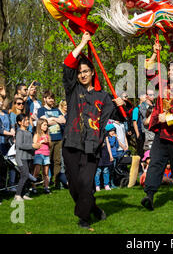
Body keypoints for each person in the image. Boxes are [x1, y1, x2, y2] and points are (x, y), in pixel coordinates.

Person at [62, 32, 124, 229]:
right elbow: (67, 64)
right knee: (75, 186)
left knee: (87, 183)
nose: (82, 74)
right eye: (80, 72)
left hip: (92, 146)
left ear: (92, 72)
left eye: (86, 71)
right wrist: (82, 43)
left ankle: (84, 218)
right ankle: (94, 208)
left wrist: (121, 104)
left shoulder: (103, 96)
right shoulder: (73, 90)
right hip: (71, 143)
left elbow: (119, 115)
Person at [141, 40, 173, 210]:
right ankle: (149, 194)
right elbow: (149, 72)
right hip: (162, 134)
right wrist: (155, 53)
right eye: (169, 69)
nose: (170, 71)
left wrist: (169, 118)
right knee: (155, 163)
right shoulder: (162, 85)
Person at [37, 90, 66, 188]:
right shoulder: (41, 110)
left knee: (58, 161)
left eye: (52, 98)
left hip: (59, 138)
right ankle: (46, 182)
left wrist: (52, 119)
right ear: (45, 99)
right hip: (48, 139)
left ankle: (57, 181)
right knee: (46, 161)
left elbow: (63, 120)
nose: (52, 100)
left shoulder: (57, 110)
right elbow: (44, 122)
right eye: (49, 98)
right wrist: (56, 120)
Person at [14, 114, 36, 201]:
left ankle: (23, 194)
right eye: (25, 120)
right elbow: (19, 145)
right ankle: (17, 195)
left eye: (27, 119)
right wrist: (32, 146)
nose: (27, 121)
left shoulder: (29, 132)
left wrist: (35, 147)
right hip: (21, 158)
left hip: (28, 157)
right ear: (19, 122)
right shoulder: (19, 132)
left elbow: (30, 145)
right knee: (25, 175)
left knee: (26, 176)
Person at [30, 118, 51, 194]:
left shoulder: (47, 135)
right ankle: (33, 187)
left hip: (46, 155)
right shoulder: (37, 135)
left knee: (46, 173)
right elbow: (34, 145)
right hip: (38, 155)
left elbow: (50, 146)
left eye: (47, 125)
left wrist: (48, 142)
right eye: (44, 125)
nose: (46, 126)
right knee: (36, 172)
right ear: (40, 125)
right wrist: (42, 141)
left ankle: (46, 187)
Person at [95, 124, 115, 191]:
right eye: (112, 131)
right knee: (98, 171)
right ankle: (97, 185)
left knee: (106, 170)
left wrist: (111, 155)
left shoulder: (105, 134)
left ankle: (106, 185)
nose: (113, 132)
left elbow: (108, 145)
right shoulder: (97, 132)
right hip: (98, 154)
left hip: (105, 154)